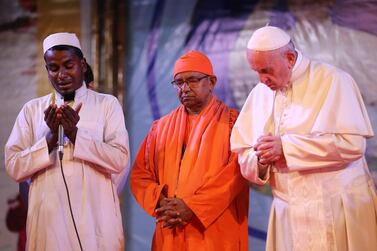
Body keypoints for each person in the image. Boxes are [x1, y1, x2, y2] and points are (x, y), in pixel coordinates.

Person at [231, 26, 377, 251]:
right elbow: (244, 157)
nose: (262, 80)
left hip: (336, 208)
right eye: (257, 72)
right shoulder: (260, 94)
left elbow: (352, 145)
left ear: (289, 58)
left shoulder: (333, 80)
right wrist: (260, 159)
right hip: (289, 213)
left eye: (266, 70)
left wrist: (286, 148)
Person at [5, 32, 130, 251]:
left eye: (68, 65)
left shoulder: (107, 105)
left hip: (95, 219)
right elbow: (14, 167)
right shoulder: (32, 110)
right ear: (46, 70)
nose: (61, 74)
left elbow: (120, 159)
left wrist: (75, 135)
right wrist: (51, 139)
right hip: (48, 222)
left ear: (82, 65)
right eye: (53, 68)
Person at [130, 50, 249, 251]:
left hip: (214, 232)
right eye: (179, 82)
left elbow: (236, 174)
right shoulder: (160, 127)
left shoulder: (233, 123)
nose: (184, 88)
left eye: (192, 80)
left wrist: (192, 207)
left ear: (211, 82)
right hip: (170, 229)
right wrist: (162, 203)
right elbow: (140, 174)